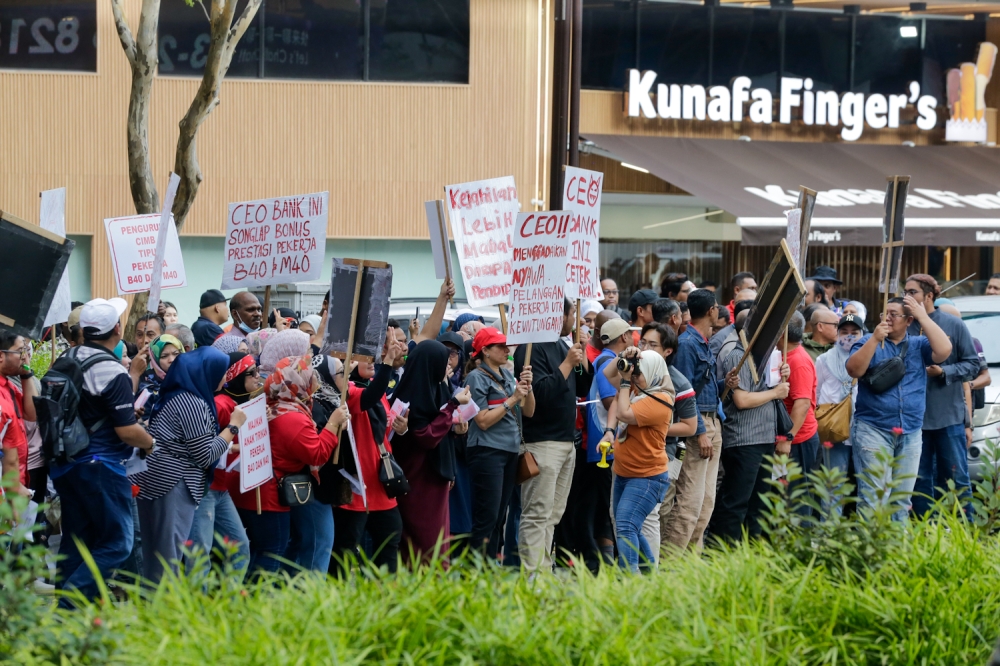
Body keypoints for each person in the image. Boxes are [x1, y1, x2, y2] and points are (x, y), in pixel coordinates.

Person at [50, 298, 154, 606]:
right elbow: (127, 432)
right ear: (118, 330)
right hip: (101, 466)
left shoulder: (66, 358)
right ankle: (69, 604)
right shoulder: (110, 369)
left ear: (83, 330)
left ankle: (65, 620)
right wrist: (150, 443)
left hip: (66, 463)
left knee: (76, 543)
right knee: (118, 544)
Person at [233, 356, 346, 578]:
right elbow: (317, 453)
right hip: (270, 495)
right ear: (296, 381)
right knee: (272, 554)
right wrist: (333, 424)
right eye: (308, 373)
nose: (314, 377)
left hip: (261, 489)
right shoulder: (292, 417)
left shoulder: (276, 404)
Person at [131, 347, 235, 583]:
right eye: (221, 371)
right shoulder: (192, 402)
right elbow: (205, 455)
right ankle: (164, 614)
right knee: (168, 558)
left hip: (163, 479)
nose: (225, 377)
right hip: (173, 483)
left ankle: (155, 612)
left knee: (159, 556)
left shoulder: (179, 394)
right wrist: (232, 428)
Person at [846, 296, 952, 521]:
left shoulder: (918, 344)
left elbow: (944, 350)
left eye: (894, 314)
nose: (888, 318)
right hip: (873, 428)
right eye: (885, 313)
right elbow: (854, 370)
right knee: (872, 497)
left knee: (902, 500)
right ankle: (871, 552)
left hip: (911, 431)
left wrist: (923, 317)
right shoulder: (868, 340)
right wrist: (874, 339)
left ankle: (897, 551)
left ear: (908, 320)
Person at [513, 299, 583, 574]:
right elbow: (538, 396)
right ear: (559, 315)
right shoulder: (531, 349)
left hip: (566, 443)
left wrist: (581, 357)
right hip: (542, 443)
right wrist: (566, 364)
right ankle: (532, 577)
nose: (574, 318)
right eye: (572, 313)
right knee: (536, 514)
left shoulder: (564, 345)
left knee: (552, 515)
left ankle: (543, 570)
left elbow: (581, 387)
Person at [903, 274, 980, 517]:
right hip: (913, 420)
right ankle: (926, 532)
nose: (907, 297)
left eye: (913, 292)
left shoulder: (953, 324)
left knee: (956, 478)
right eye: (905, 291)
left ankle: (964, 533)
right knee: (919, 481)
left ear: (929, 296)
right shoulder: (902, 325)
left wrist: (944, 371)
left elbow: (972, 366)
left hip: (949, 417)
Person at [331, 336, 408, 575]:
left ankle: (385, 599)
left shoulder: (377, 388)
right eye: (365, 357)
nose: (372, 361)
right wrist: (387, 362)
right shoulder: (348, 392)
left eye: (374, 357)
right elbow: (371, 396)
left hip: (381, 482)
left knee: (390, 540)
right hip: (357, 486)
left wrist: (400, 428)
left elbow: (383, 431)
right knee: (345, 551)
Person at [392, 340, 472, 563]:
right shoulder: (412, 392)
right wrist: (452, 405)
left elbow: (439, 428)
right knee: (424, 540)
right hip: (418, 478)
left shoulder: (435, 387)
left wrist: (455, 428)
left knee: (438, 538)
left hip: (436, 475)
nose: (446, 366)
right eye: (442, 361)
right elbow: (425, 436)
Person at [709, 330, 789, 544]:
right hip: (745, 438)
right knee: (736, 501)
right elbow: (742, 400)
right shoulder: (738, 355)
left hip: (765, 436)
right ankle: (723, 553)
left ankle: (752, 553)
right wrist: (775, 392)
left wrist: (781, 376)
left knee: (759, 502)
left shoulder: (769, 354)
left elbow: (772, 387)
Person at [464, 327, 535, 558]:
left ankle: (489, 568)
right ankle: (475, 572)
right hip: (487, 451)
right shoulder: (476, 377)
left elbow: (529, 412)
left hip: (508, 451)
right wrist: (512, 398)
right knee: (487, 516)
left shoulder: (506, 376)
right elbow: (482, 421)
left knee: (499, 517)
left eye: (507, 345)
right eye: (500, 346)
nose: (507, 350)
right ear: (484, 351)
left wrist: (527, 389)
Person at [603, 348, 675, 572]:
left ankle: (629, 582)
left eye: (638, 373)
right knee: (630, 528)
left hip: (647, 477)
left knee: (625, 527)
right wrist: (623, 356)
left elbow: (624, 414)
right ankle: (648, 576)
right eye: (633, 373)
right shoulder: (639, 389)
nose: (634, 377)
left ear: (653, 372)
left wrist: (625, 383)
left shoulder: (660, 400)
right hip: (624, 472)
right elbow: (608, 373)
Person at [189, 351, 258, 573]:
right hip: (205, 489)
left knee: (240, 548)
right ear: (234, 375)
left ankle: (226, 604)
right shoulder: (221, 405)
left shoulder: (238, 403)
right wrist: (238, 445)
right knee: (200, 556)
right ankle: (193, 606)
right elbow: (204, 447)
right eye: (251, 373)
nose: (257, 377)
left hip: (220, 489)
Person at [665, 289, 722, 551]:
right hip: (698, 427)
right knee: (690, 501)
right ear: (711, 310)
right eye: (717, 306)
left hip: (712, 421)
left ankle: (691, 564)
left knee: (705, 503)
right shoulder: (688, 344)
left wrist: (725, 383)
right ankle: (669, 563)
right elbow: (684, 395)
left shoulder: (702, 341)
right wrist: (699, 431)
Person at [637, 323, 695, 561]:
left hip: (662, 455)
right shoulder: (633, 371)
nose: (645, 348)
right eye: (643, 342)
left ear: (667, 351)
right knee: (624, 516)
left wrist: (655, 426)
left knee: (650, 515)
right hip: (630, 454)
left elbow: (690, 426)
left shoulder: (678, 382)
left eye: (653, 345)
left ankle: (650, 571)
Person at [582, 317, 632, 570]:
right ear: (623, 337)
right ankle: (605, 565)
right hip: (606, 448)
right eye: (630, 334)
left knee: (605, 509)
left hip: (607, 446)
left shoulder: (606, 360)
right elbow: (611, 403)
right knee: (608, 510)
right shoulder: (606, 363)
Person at [814, 314, 864, 477]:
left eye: (854, 332)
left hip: (863, 428)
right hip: (833, 427)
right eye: (844, 331)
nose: (849, 336)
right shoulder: (824, 360)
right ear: (837, 334)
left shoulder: (869, 358)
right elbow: (816, 391)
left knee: (866, 482)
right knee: (833, 484)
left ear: (862, 335)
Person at [782, 311, 821, 506]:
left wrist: (788, 438)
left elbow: (803, 403)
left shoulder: (798, 361)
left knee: (798, 499)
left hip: (799, 439)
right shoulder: (784, 356)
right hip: (791, 437)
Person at [0, 331, 35, 498]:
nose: (25, 357)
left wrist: (27, 374)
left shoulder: (8, 386)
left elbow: (32, 413)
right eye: (21, 351)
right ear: (1, 356)